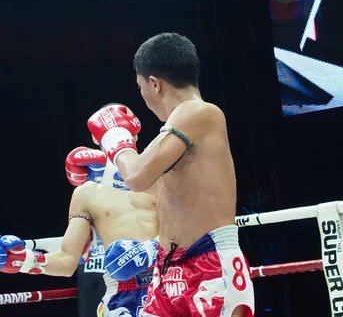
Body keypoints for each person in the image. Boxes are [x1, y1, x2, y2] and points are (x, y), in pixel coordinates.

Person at [87, 33, 254, 317]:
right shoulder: (173, 131)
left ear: (155, 84)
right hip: (168, 268)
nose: (142, 95)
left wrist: (115, 136)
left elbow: (136, 176)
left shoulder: (198, 112)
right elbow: (142, 182)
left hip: (209, 262)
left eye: (140, 86)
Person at [0, 134, 159, 316]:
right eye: (109, 131)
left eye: (121, 129)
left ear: (135, 133)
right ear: (95, 138)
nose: (116, 134)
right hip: (122, 291)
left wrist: (148, 250)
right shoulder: (86, 193)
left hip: (170, 279)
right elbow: (67, 260)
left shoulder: (158, 177)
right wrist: (23, 260)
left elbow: (186, 229)